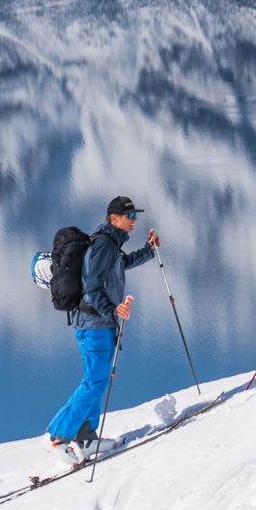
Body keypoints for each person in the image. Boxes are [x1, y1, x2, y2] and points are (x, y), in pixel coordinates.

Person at [47, 195, 159, 460]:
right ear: (114, 218)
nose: (135, 220)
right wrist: (113, 309)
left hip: (99, 323)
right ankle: (56, 436)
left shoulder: (111, 244)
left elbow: (122, 265)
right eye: (130, 216)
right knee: (94, 382)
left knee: (97, 381)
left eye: (135, 216)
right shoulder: (104, 245)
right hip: (94, 324)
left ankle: (86, 439)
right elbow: (92, 285)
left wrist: (149, 250)